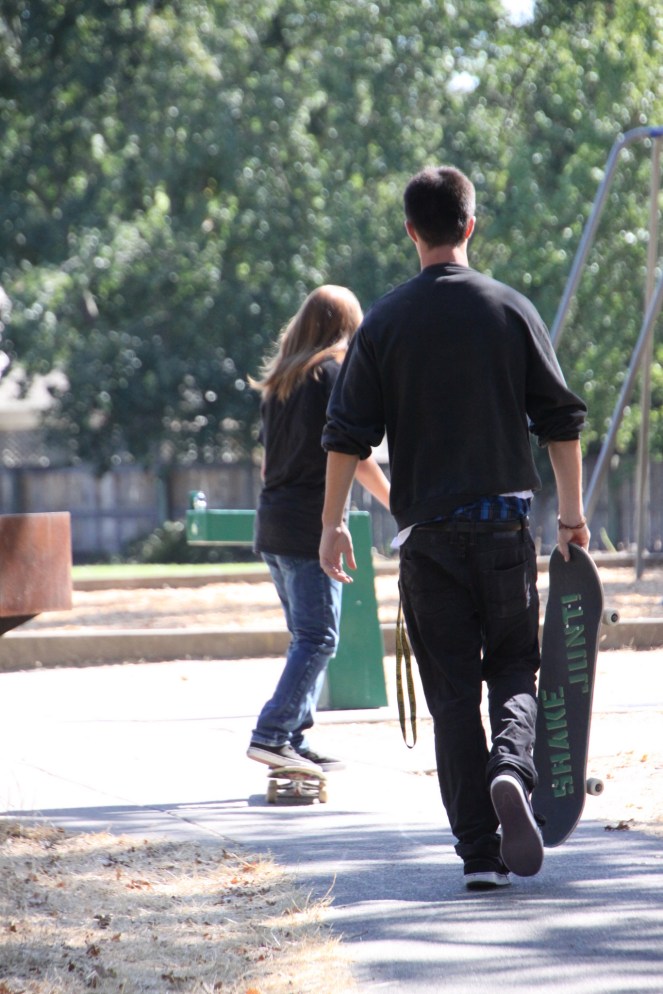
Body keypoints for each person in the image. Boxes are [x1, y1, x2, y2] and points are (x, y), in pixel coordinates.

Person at [319, 166, 589, 889]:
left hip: (427, 541)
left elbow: (345, 434)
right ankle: (512, 767)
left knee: (449, 697)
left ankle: (479, 854)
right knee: (511, 667)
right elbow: (560, 421)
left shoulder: (382, 323)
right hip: (503, 531)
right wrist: (570, 517)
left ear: (410, 231)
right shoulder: (509, 309)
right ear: (470, 224)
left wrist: (331, 527)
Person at [247, 285, 391, 774]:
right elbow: (352, 451)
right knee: (318, 638)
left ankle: (290, 738)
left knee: (304, 636)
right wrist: (398, 501)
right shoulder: (334, 374)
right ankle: (271, 734)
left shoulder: (281, 382)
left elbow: (268, 467)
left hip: (274, 524)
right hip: (310, 525)